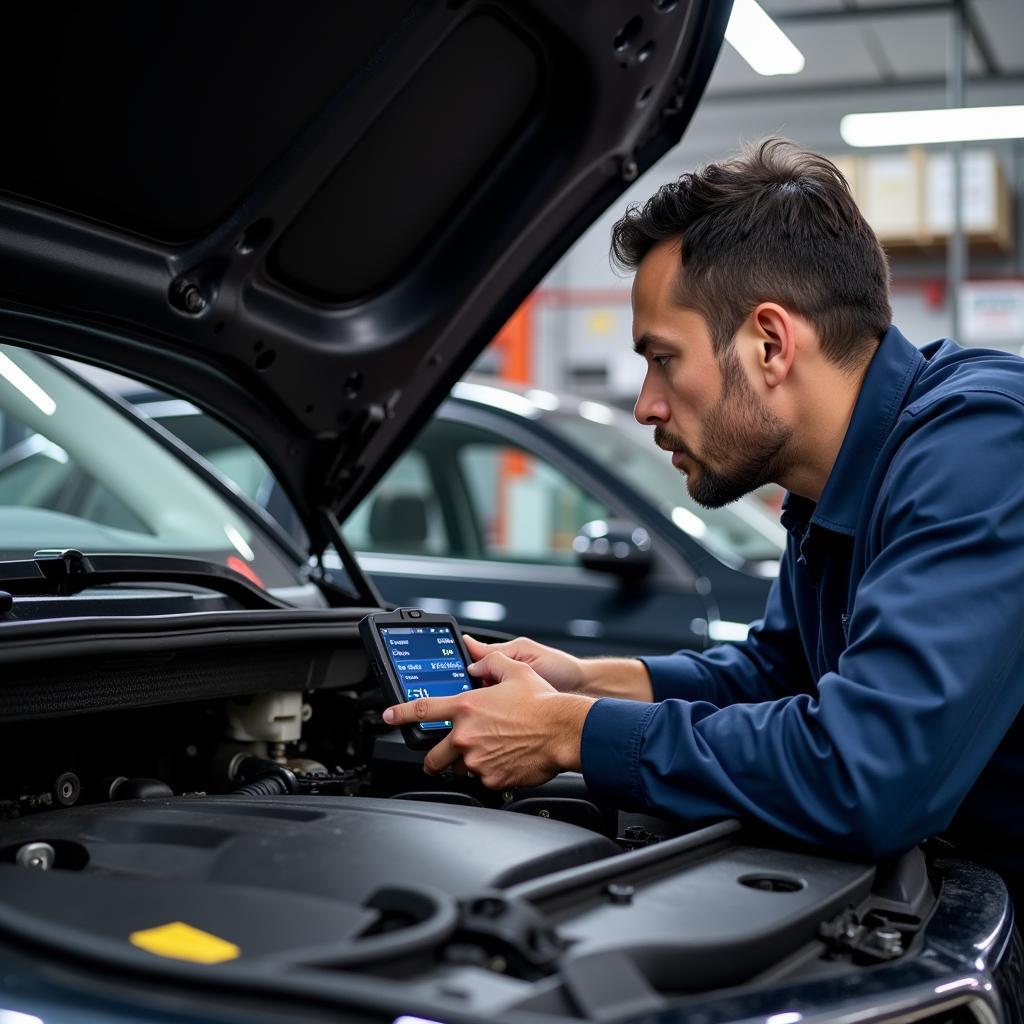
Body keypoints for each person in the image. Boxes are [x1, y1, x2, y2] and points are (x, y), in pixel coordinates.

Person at [383, 139, 1024, 900]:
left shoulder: (982, 447)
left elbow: (868, 774)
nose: (646, 404)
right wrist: (585, 680)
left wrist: (569, 731)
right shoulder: (833, 482)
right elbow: (776, 675)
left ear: (770, 343)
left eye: (663, 358)